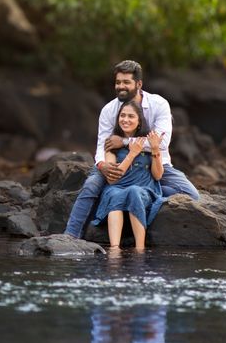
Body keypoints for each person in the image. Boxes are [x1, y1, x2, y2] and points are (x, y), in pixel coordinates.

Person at [64, 60, 199, 239]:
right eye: (118, 82)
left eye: (126, 82)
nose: (121, 86)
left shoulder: (159, 104)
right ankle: (70, 235)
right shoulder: (108, 110)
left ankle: (147, 196)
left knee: (191, 195)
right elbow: (102, 144)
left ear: (139, 84)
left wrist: (126, 142)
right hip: (117, 163)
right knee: (91, 186)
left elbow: (163, 142)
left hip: (154, 162)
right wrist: (101, 164)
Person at [91, 100, 165, 249]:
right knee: (114, 193)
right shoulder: (112, 143)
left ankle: (140, 248)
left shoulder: (147, 142)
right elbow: (112, 180)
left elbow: (157, 176)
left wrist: (156, 149)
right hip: (117, 186)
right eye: (122, 115)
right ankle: (114, 248)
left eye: (131, 116)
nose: (125, 119)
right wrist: (131, 154)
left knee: (134, 191)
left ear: (139, 122)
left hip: (144, 187)